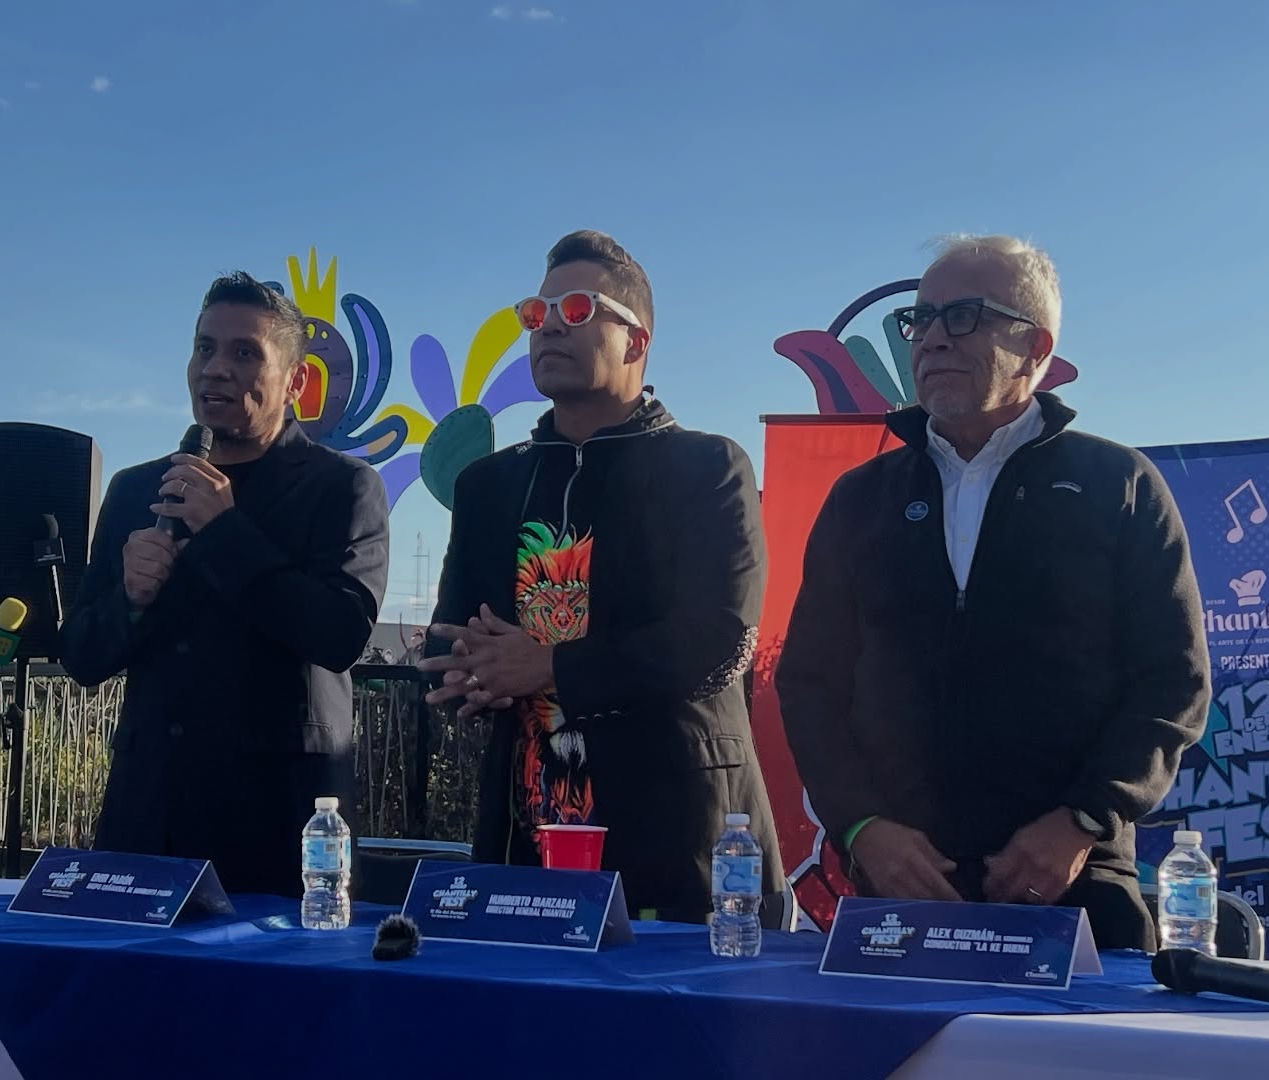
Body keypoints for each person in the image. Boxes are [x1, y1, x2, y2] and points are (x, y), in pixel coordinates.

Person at [776, 235, 1209, 950]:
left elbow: (1174, 684)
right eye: (922, 319)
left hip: (1075, 889)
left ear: (1036, 347)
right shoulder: (860, 498)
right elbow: (811, 684)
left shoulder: (1119, 485)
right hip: (898, 890)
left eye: (965, 316)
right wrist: (861, 827)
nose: (933, 339)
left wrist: (1084, 820)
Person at [418, 230, 783, 924]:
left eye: (580, 309)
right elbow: (451, 638)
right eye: (537, 311)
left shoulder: (706, 467)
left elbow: (718, 641)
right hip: (523, 837)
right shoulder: (490, 485)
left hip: (679, 838)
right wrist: (466, 674)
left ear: (636, 342)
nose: (551, 323)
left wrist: (550, 666)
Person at [61, 271, 389, 896]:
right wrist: (128, 600)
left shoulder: (340, 487)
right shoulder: (138, 488)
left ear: (295, 381)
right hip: (150, 814)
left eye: (245, 353)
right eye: (204, 348)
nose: (215, 369)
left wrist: (226, 531)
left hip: (278, 822)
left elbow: (339, 634)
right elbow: (80, 654)